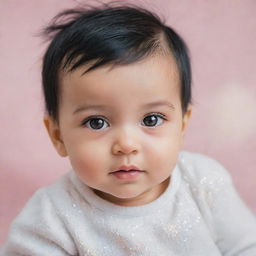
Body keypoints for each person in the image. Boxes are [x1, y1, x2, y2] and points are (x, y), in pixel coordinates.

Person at [2, 3, 256, 256]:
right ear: (58, 135)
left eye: (151, 119)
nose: (126, 144)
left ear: (182, 124)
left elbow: (246, 247)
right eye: (96, 122)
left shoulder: (203, 183)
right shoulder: (50, 219)